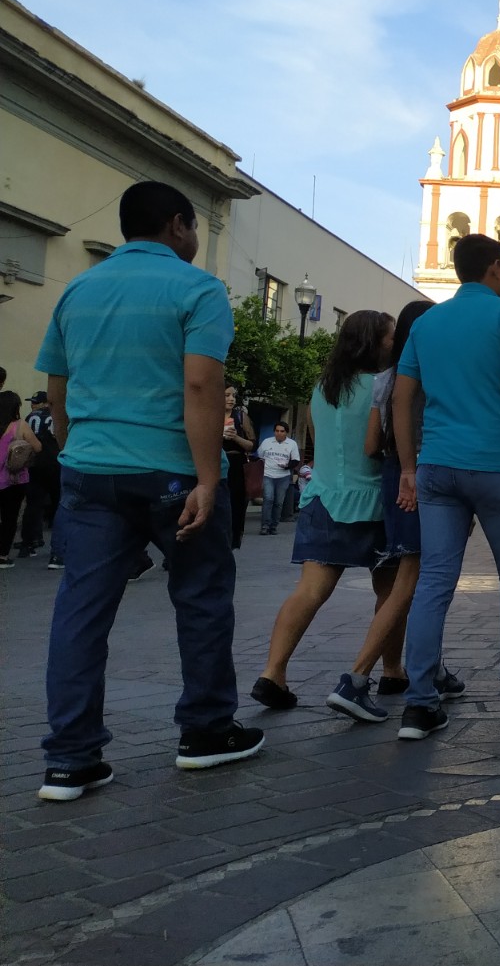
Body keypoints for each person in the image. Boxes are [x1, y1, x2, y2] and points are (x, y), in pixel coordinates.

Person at [34, 181, 263, 803]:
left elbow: (57, 386)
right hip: (173, 472)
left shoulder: (78, 290)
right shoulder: (198, 290)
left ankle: (70, 760)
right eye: (191, 229)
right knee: (201, 597)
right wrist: (210, 478)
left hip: (90, 469)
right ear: (177, 225)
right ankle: (206, 731)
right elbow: (199, 387)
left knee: (80, 611)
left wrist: (71, 447)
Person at [392, 234, 500, 741]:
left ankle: (420, 704)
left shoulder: (426, 323)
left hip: (436, 467)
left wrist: (408, 465)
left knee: (434, 581)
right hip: (493, 463)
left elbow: (403, 399)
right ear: (495, 267)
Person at [323, 298, 466, 722]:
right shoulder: (435, 373)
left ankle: (431, 668)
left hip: (392, 477)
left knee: (415, 580)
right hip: (425, 476)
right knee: (413, 582)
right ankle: (356, 677)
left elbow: (371, 444)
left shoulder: (384, 378)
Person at [251, 311, 394, 711]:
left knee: (309, 591)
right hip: (373, 503)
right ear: (372, 343)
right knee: (392, 594)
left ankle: (272, 672)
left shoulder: (323, 388)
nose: (394, 345)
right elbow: (378, 447)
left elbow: (322, 442)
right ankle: (390, 671)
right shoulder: (384, 386)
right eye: (389, 339)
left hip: (323, 499)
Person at [17, 391, 61, 563]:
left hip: (35, 465)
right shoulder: (55, 415)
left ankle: (29, 542)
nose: (32, 405)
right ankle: (58, 547)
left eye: (35, 402)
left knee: (33, 504)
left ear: (43, 403)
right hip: (56, 462)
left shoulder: (29, 417)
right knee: (60, 505)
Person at [1, 392, 43, 565]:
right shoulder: (19, 425)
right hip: (14, 480)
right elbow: (38, 447)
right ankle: (2, 555)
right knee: (9, 518)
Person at [222, 385, 255, 549]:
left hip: (236, 466)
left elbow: (251, 445)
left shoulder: (241, 417)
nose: (231, 399)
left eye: (233, 395)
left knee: (236, 505)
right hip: (215, 463)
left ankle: (232, 541)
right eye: (227, 395)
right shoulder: (210, 415)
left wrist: (235, 437)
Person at [256, 422, 301, 536]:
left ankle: (274, 526)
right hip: (268, 475)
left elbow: (296, 460)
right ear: (274, 431)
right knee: (268, 499)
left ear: (286, 432)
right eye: (277, 431)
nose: (279, 433)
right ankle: (265, 526)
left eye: (282, 431)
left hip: (283, 476)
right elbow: (260, 456)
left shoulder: (292, 444)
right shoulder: (267, 442)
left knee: (279, 502)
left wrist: (287, 465)